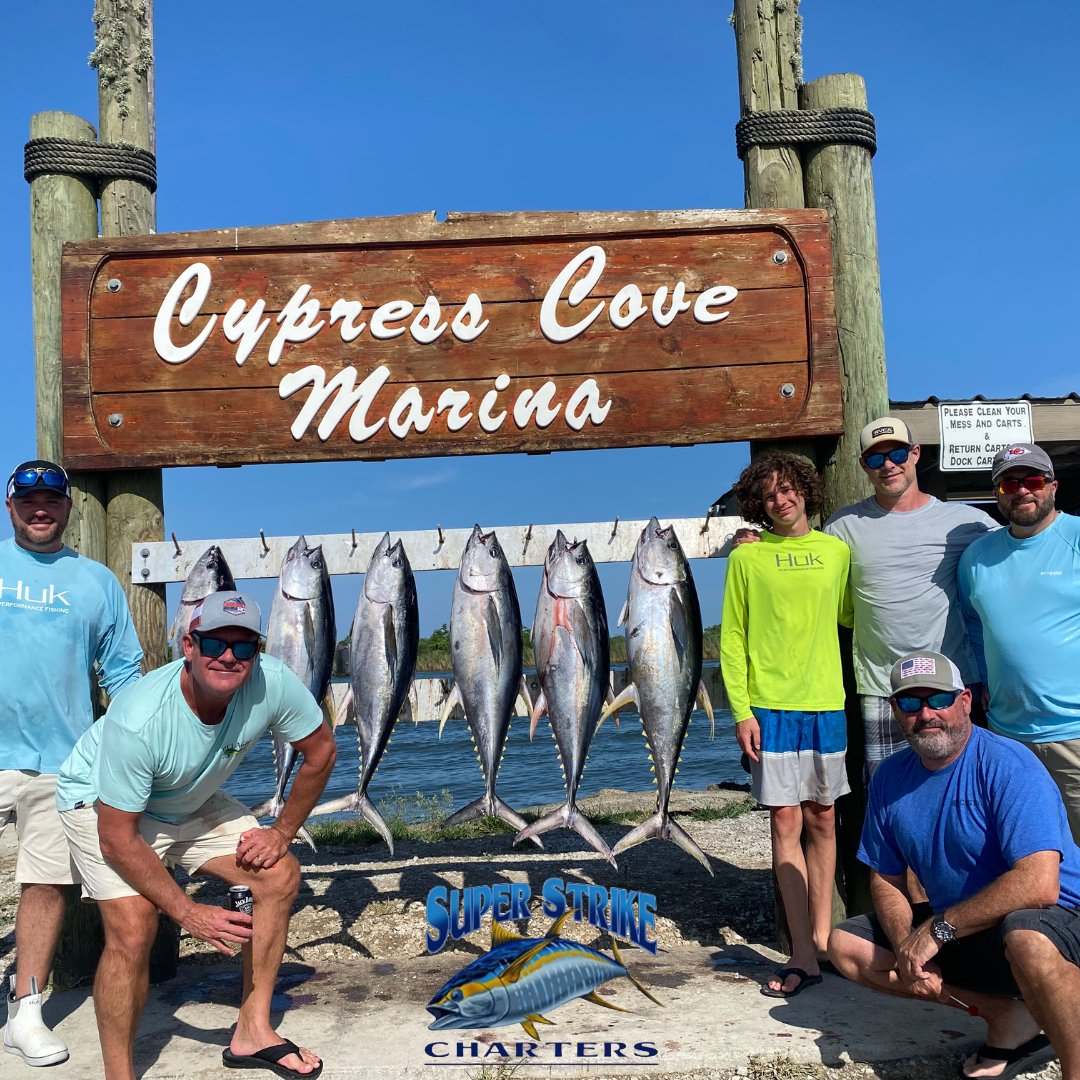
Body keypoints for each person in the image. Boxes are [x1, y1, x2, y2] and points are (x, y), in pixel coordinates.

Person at [56, 590, 336, 1080]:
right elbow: (118, 838)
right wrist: (186, 912)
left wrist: (282, 832)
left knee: (277, 876)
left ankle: (253, 1032)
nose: (228, 657)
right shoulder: (140, 717)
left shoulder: (273, 682)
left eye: (243, 647)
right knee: (135, 925)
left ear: (258, 651)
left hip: (185, 795)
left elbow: (321, 750)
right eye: (214, 643)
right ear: (189, 644)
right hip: (103, 803)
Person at [829, 649, 1080, 1080]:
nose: (926, 714)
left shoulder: (1009, 764)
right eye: (910, 702)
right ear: (895, 711)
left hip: (1057, 920)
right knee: (845, 947)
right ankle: (1007, 1017)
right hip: (967, 926)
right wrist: (907, 944)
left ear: (965, 701)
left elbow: (1040, 884)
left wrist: (937, 930)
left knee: (1027, 937)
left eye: (938, 700)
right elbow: (886, 878)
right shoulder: (889, 777)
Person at [0, 459, 143, 1068]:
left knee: (48, 883)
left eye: (51, 500)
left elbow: (124, 677)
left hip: (60, 760)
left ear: (67, 509)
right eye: (27, 499)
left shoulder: (97, 582)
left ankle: (25, 1011)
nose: (40, 508)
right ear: (9, 506)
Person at [720, 450, 853, 997]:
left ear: (805, 490)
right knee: (786, 825)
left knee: (824, 820)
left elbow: (852, 618)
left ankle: (824, 941)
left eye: (789, 487)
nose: (782, 499)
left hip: (828, 703)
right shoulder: (746, 560)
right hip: (771, 707)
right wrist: (741, 711)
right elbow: (731, 637)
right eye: (770, 493)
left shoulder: (837, 552)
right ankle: (801, 951)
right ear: (761, 504)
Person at [823, 417, 995, 778]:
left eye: (897, 453)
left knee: (960, 784)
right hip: (881, 687)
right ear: (863, 466)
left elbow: (1019, 549)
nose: (888, 465)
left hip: (949, 682)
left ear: (915, 454)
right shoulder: (840, 527)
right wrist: (758, 538)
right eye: (875, 458)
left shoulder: (967, 522)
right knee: (889, 790)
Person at [958, 441, 1080, 842]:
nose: (1022, 490)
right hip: (1007, 736)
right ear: (997, 493)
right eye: (1009, 484)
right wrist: (981, 677)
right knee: (1024, 849)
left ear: (1053, 486)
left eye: (1032, 480)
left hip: (1074, 735)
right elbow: (973, 626)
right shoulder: (976, 556)